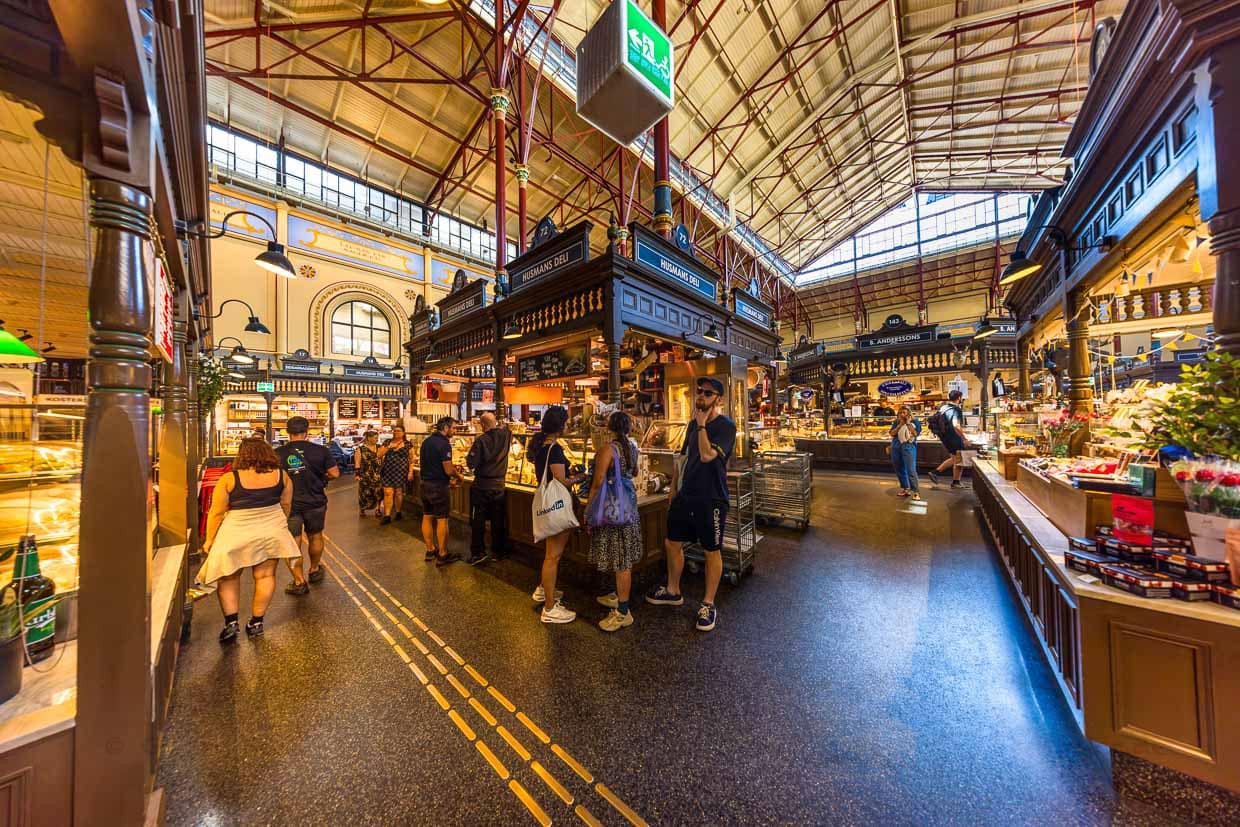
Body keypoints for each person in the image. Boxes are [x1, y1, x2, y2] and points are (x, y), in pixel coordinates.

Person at [646, 376, 737, 633]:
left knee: (711, 550)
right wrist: (674, 489)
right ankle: (673, 590)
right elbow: (683, 458)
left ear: (718, 399)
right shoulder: (690, 426)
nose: (702, 397)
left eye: (708, 394)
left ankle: (708, 603)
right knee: (672, 542)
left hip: (712, 498)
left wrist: (701, 426)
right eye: (700, 392)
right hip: (686, 495)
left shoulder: (725, 426)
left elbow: (708, 455)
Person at [201, 438, 302, 641]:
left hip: (237, 529)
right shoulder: (282, 476)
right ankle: (256, 622)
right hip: (271, 528)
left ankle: (231, 623)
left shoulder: (230, 478)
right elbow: (286, 505)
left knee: (228, 576)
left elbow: (216, 512)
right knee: (265, 576)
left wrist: (209, 539)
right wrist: (277, 523)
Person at [587, 411, 642, 632]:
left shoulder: (607, 450)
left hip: (612, 508)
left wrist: (589, 508)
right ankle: (619, 596)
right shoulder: (633, 447)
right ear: (628, 429)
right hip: (628, 505)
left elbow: (598, 481)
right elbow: (635, 471)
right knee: (623, 555)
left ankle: (623, 611)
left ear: (609, 428)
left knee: (621, 561)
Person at [276, 416, 340, 595]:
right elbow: (335, 473)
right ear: (307, 431)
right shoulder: (320, 450)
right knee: (315, 536)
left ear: (287, 432)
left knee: (292, 542)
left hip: (289, 504)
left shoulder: (278, 453)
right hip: (315, 500)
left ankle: (298, 581)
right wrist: (321, 477)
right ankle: (314, 569)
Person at [531, 405, 579, 624]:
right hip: (557, 506)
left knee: (550, 554)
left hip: (548, 506)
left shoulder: (541, 446)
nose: (569, 425)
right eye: (566, 422)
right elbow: (561, 480)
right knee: (553, 557)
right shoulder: (555, 450)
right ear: (560, 427)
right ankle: (549, 608)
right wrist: (580, 478)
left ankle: (544, 591)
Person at [465, 412, 510, 564]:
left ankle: (478, 552)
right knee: (498, 520)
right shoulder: (506, 435)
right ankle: (499, 551)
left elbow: (471, 464)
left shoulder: (480, 441)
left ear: (482, 425)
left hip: (482, 485)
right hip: (499, 485)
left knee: (478, 520)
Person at [420, 417, 462, 566]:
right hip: (438, 487)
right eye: (454, 428)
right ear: (445, 428)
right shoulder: (444, 444)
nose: (455, 431)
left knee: (427, 516)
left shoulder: (426, 441)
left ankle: (430, 549)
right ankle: (443, 554)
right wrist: (458, 476)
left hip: (424, 484)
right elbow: (448, 469)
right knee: (442, 520)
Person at [929, 389, 968, 489]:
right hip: (954, 438)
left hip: (945, 437)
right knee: (959, 460)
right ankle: (955, 482)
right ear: (959, 398)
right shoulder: (956, 409)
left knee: (954, 458)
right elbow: (956, 425)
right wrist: (964, 438)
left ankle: (935, 472)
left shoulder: (944, 407)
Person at [378, 424, 413, 525]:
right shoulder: (387, 442)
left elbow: (411, 460)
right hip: (387, 471)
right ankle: (387, 515)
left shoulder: (408, 444)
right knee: (387, 492)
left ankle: (398, 512)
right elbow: (379, 454)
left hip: (401, 471)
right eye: (395, 431)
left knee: (398, 492)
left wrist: (410, 472)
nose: (396, 432)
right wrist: (389, 447)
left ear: (403, 433)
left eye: (398, 431)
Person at [889, 405, 922, 500]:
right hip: (896, 446)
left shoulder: (915, 422)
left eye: (904, 413)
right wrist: (899, 425)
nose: (902, 415)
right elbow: (891, 433)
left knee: (911, 469)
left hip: (908, 446)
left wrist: (908, 423)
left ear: (909, 413)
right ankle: (905, 488)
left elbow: (916, 434)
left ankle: (916, 491)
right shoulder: (896, 422)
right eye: (900, 413)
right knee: (899, 467)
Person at [354, 430, 383, 517]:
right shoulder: (360, 449)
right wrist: (357, 474)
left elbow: (383, 459)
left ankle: (378, 509)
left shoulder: (379, 447)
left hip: (378, 474)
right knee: (364, 493)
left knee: (378, 492)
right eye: (375, 438)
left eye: (377, 437)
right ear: (368, 438)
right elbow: (357, 462)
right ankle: (362, 509)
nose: (377, 439)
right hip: (365, 474)